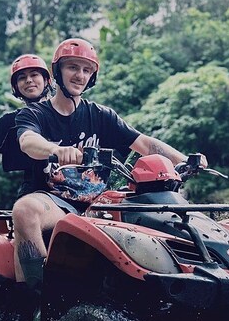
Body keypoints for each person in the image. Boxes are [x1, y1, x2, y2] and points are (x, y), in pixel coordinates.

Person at [11, 38, 207, 291]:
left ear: (92, 76)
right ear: (57, 72)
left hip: (101, 203)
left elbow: (145, 143)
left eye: (86, 70)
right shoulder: (34, 113)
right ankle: (38, 301)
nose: (79, 75)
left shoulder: (101, 115)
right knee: (24, 210)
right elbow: (28, 141)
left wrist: (185, 160)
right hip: (55, 202)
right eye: (73, 67)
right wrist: (56, 150)